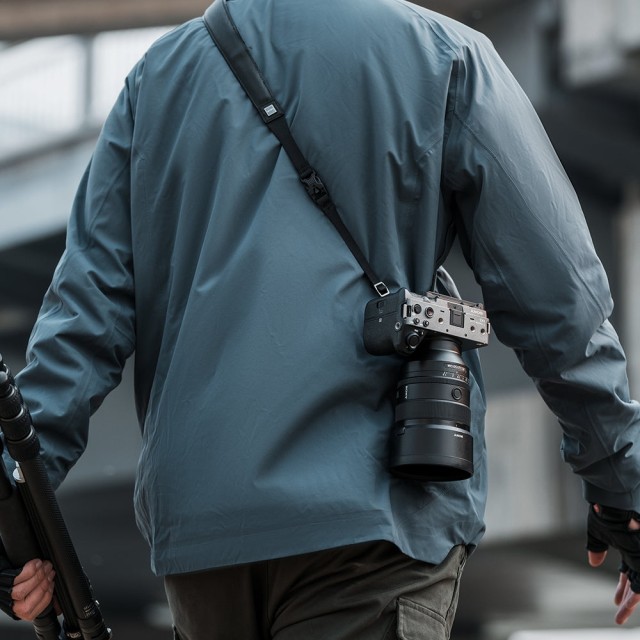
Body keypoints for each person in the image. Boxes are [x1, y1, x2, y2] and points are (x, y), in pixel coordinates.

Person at [2, 0, 640, 637]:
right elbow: (556, 294)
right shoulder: (445, 56)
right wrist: (619, 478)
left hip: (205, 540)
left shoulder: (157, 78)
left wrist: (13, 513)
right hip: (372, 520)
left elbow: (82, 314)